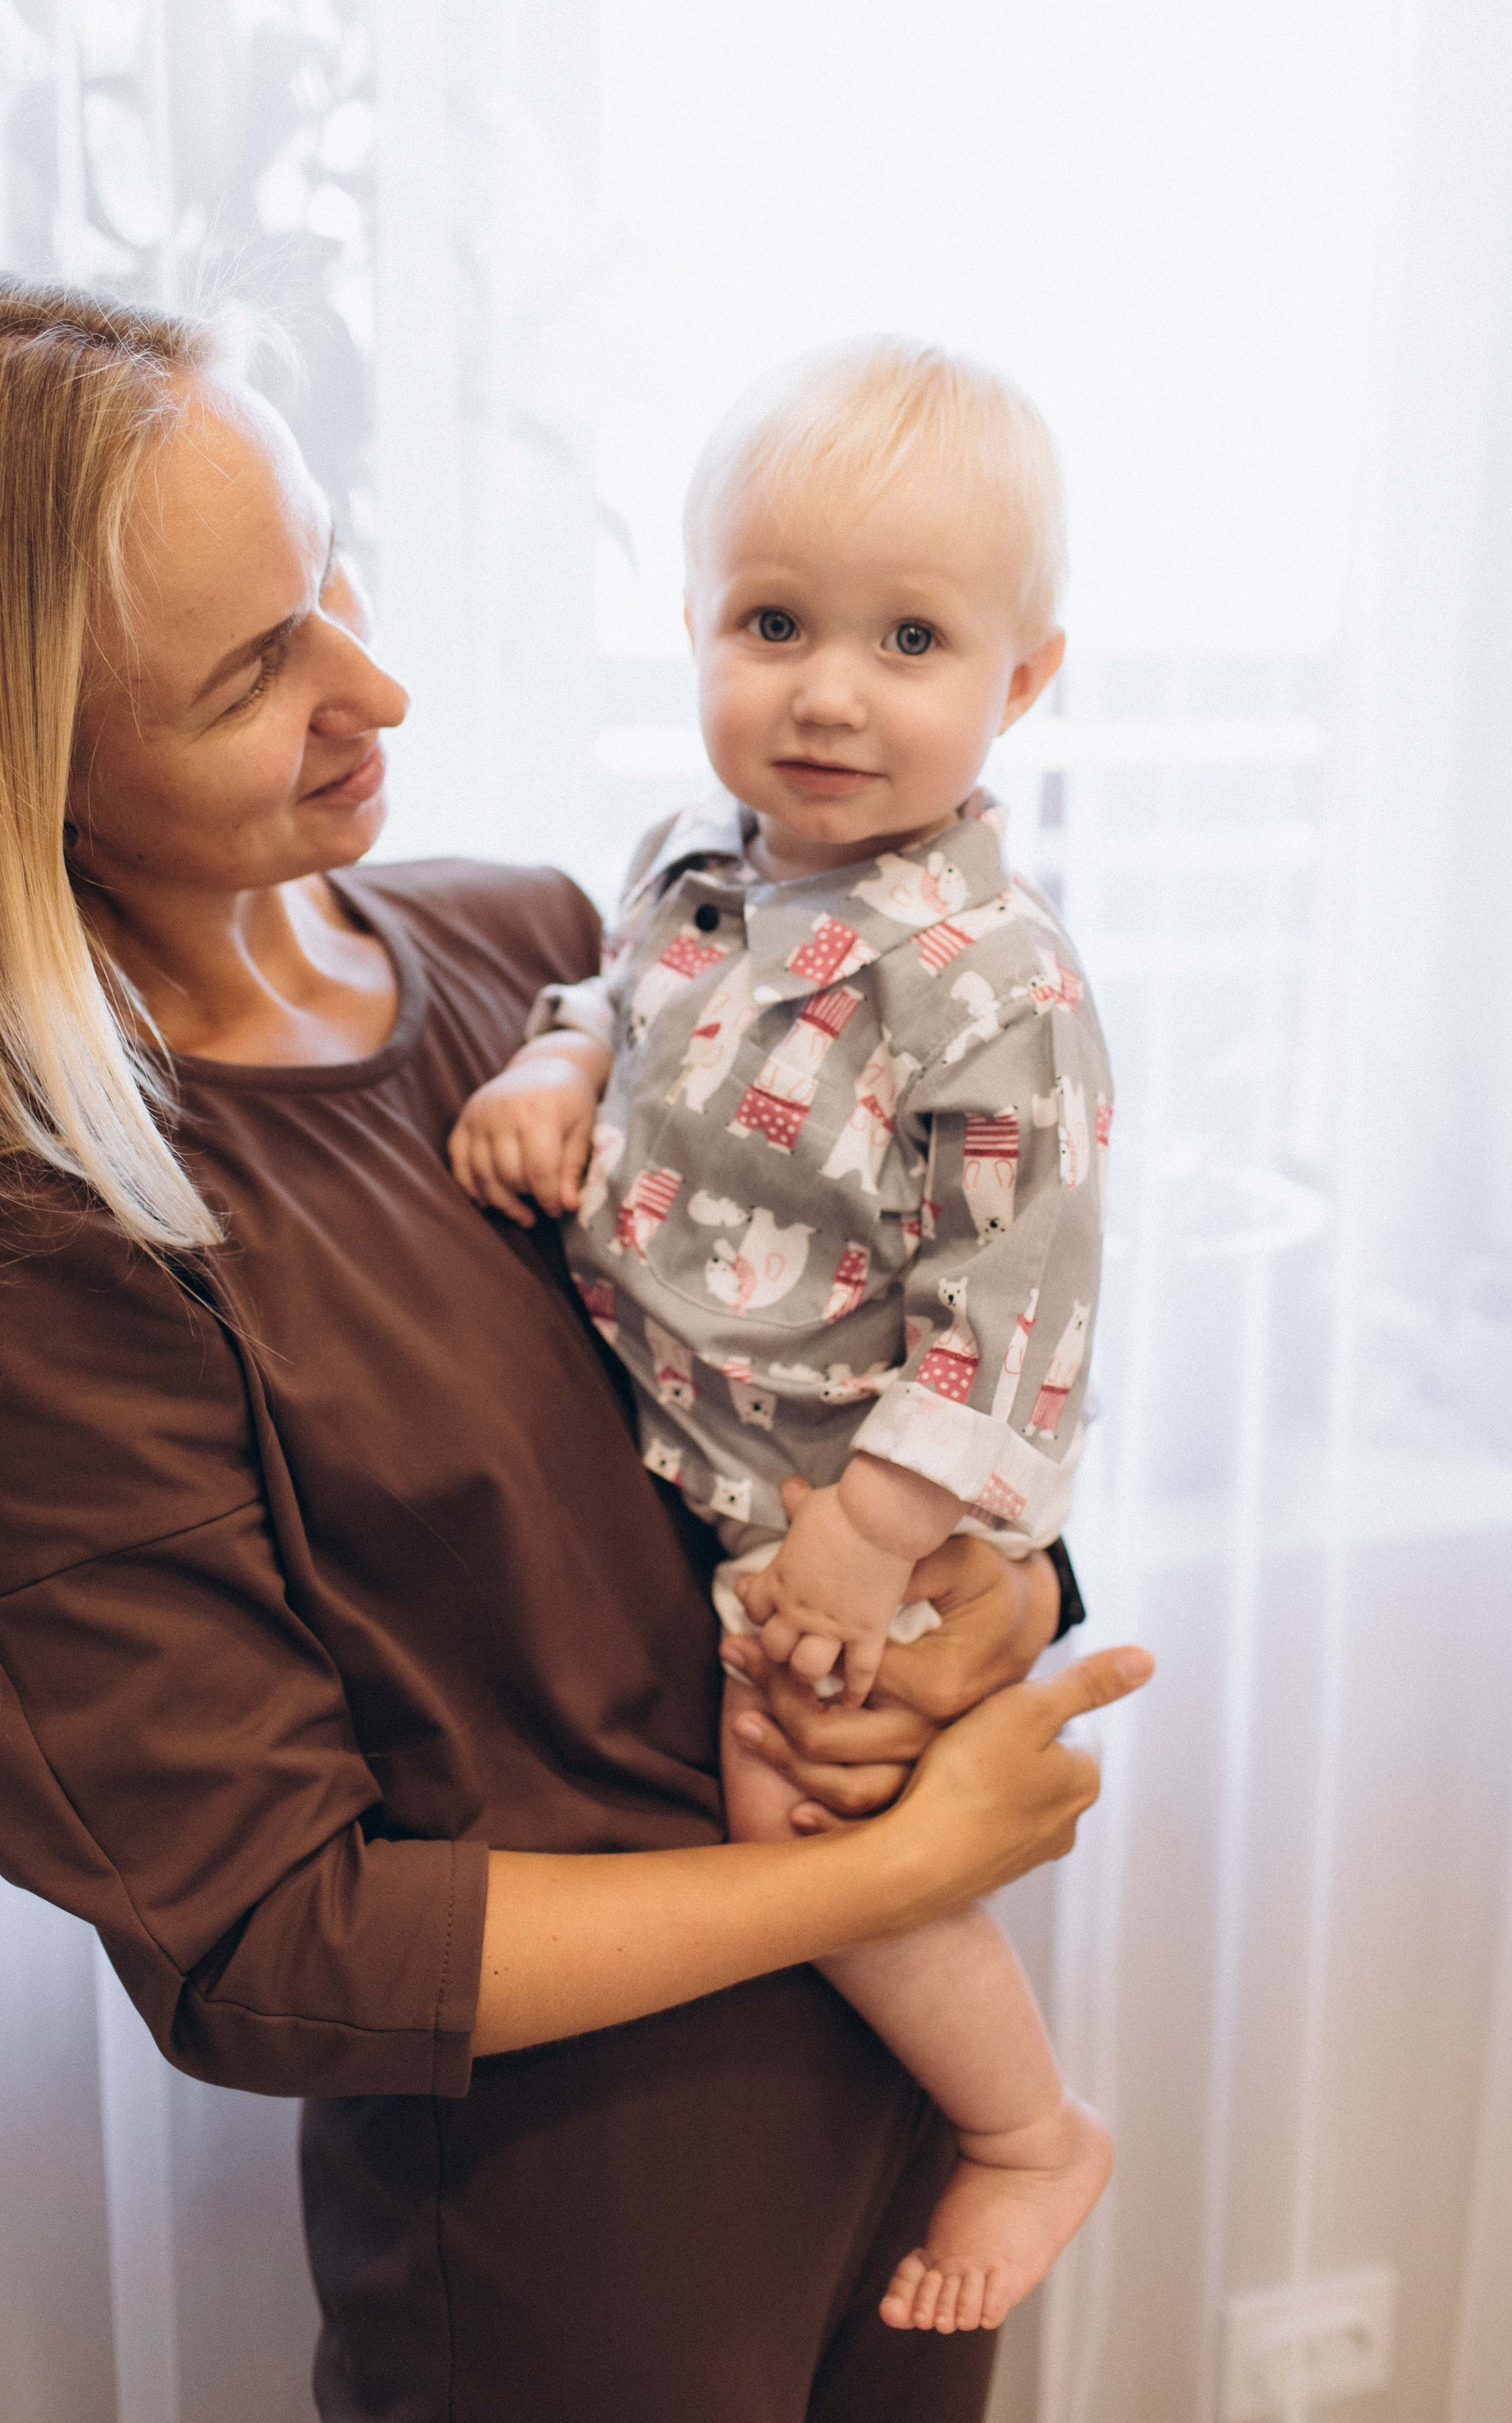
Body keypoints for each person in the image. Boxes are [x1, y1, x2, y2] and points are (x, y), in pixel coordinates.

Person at [0, 276, 1151, 2423]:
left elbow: (831, 1365)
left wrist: (996, 1605)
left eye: (329, 572)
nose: (377, 685)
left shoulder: (549, 951)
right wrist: (895, 1867)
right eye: (252, 671)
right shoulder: (42, 1250)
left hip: (906, 2097)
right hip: (591, 2234)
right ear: (14, 776)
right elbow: (272, 1948)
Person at [450, 340, 1114, 2336]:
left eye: (910, 640)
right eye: (774, 624)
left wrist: (874, 1536)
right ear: (693, 629)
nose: (828, 691)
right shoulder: (691, 861)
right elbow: (620, 996)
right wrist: (558, 1063)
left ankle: (1030, 2129)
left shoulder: (992, 984)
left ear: (1021, 681)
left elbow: (1014, 1311)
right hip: (705, 1447)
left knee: (798, 1811)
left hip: (843, 1502)